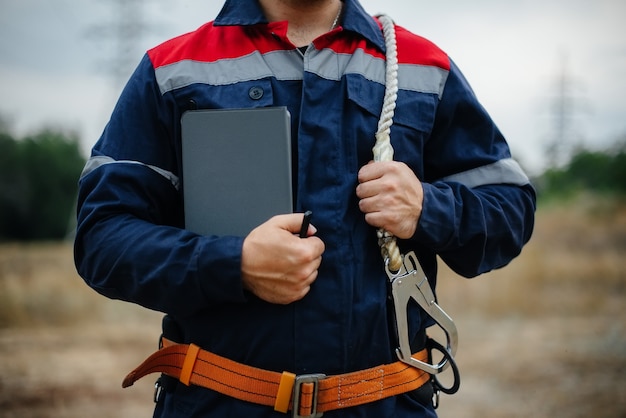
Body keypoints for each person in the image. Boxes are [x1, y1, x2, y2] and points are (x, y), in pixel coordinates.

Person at [74, 0, 536, 417]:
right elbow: (103, 237)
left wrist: (427, 208)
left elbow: (510, 209)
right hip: (215, 406)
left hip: (388, 406)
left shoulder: (422, 68)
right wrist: (233, 265)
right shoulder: (173, 69)